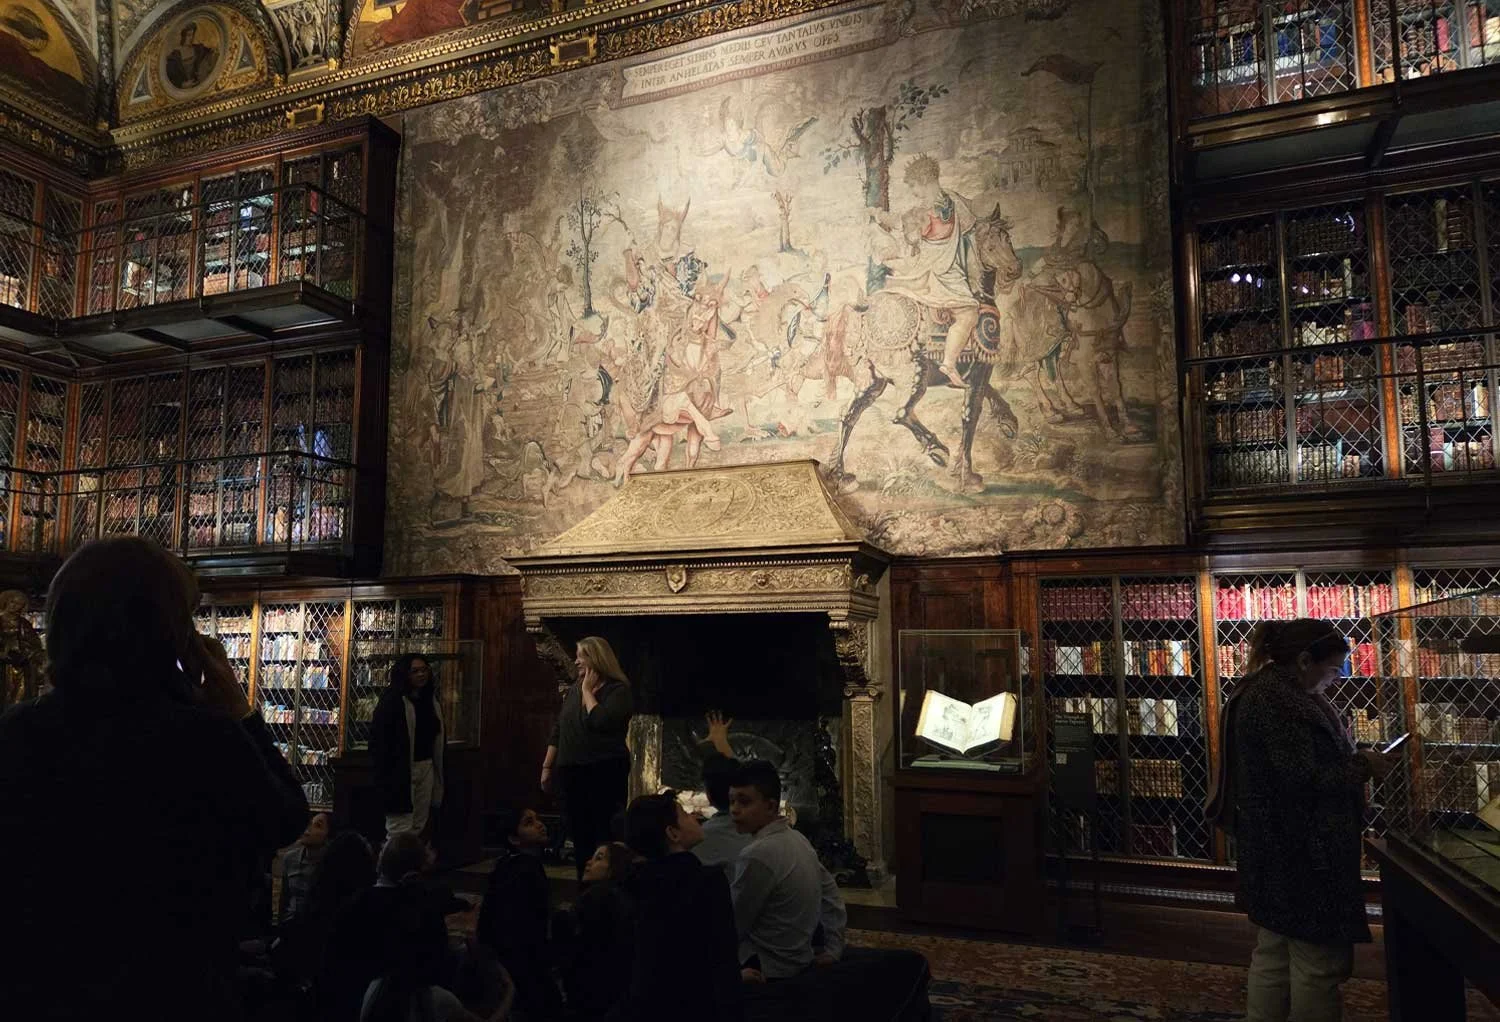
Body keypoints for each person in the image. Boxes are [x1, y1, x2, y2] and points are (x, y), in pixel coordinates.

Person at [0, 536, 308, 1021]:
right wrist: (239, 711)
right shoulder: (202, 742)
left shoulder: (17, 733)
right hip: (173, 991)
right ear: (166, 632)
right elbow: (286, 816)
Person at [1206, 619, 1398, 1022]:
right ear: (1305, 660)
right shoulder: (1282, 704)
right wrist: (1364, 764)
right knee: (1318, 963)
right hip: (1304, 853)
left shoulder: (1273, 692)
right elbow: (1302, 780)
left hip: (1278, 848)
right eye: (1334, 669)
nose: (1336, 679)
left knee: (1275, 951)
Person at [617, 792, 743, 1022]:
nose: (694, 816)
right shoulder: (707, 883)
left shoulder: (632, 884)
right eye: (684, 814)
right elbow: (722, 957)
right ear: (672, 834)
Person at [727, 760, 847, 981]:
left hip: (766, 968)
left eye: (744, 802)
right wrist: (834, 947)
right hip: (800, 960)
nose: (734, 810)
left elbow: (734, 924)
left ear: (771, 806)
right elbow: (831, 893)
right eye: (731, 801)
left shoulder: (757, 854)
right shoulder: (798, 838)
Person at [540, 636, 634, 881]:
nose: (576, 661)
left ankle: (606, 892)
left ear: (596, 660)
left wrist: (586, 692)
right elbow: (559, 728)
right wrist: (547, 766)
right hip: (572, 773)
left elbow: (600, 721)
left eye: (581, 656)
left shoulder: (618, 691)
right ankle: (586, 888)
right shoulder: (573, 689)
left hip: (603, 771)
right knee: (579, 836)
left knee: (602, 835)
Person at [477, 807, 563, 1019]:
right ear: (514, 839)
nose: (540, 824)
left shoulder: (510, 865)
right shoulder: (525, 871)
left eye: (538, 819)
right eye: (529, 822)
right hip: (521, 958)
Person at [554, 842, 637, 1020]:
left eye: (598, 858)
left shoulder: (598, 899)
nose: (588, 863)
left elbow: (581, 952)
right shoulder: (620, 899)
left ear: (614, 867)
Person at [371, 653, 445, 841]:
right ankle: (394, 866)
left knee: (418, 823)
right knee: (399, 827)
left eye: (424, 670)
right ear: (405, 674)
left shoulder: (430, 701)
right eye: (415, 671)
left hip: (425, 765)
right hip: (401, 769)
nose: (421, 675)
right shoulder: (393, 701)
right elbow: (381, 741)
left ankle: (408, 866)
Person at [694, 712, 751, 880]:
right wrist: (721, 741)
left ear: (709, 796)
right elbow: (743, 779)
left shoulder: (700, 838)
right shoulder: (758, 824)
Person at [279, 811, 332, 925]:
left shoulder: (330, 863)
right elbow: (284, 899)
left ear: (328, 836)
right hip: (288, 925)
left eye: (318, 825)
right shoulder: (290, 858)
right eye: (309, 824)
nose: (309, 828)